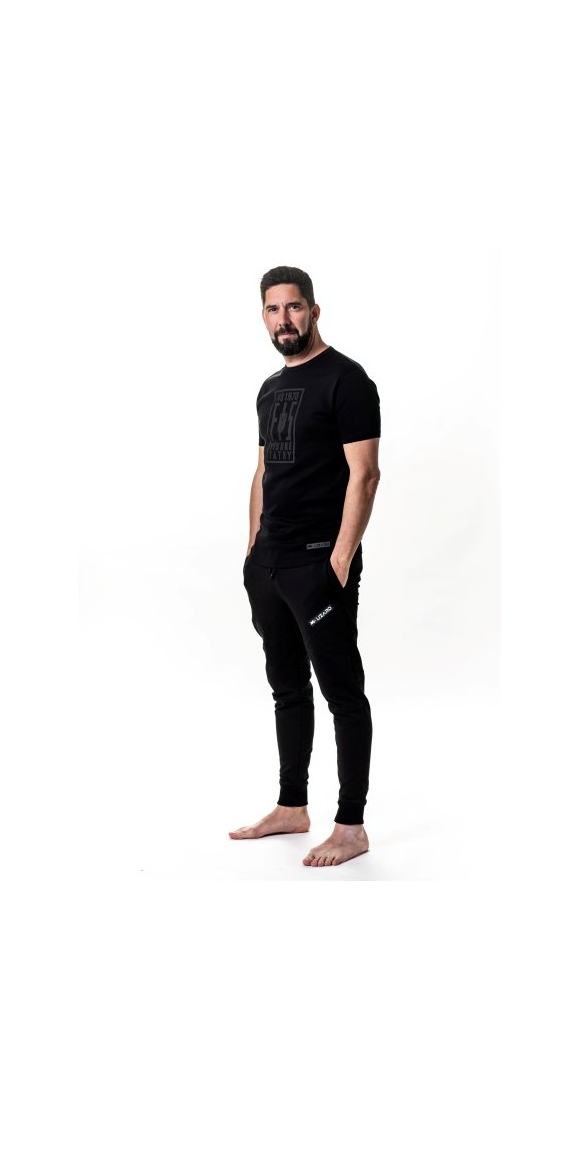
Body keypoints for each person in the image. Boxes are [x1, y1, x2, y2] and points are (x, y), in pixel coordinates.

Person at [231, 266, 381, 867]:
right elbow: (264, 470)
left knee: (342, 692)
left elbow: (364, 475)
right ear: (264, 317)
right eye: (273, 310)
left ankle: (351, 826)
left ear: (314, 311)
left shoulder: (348, 380)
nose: (284, 320)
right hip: (270, 564)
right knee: (286, 687)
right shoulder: (270, 389)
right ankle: (292, 806)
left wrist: (339, 559)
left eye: (293, 307)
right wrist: (253, 550)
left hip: (319, 563)